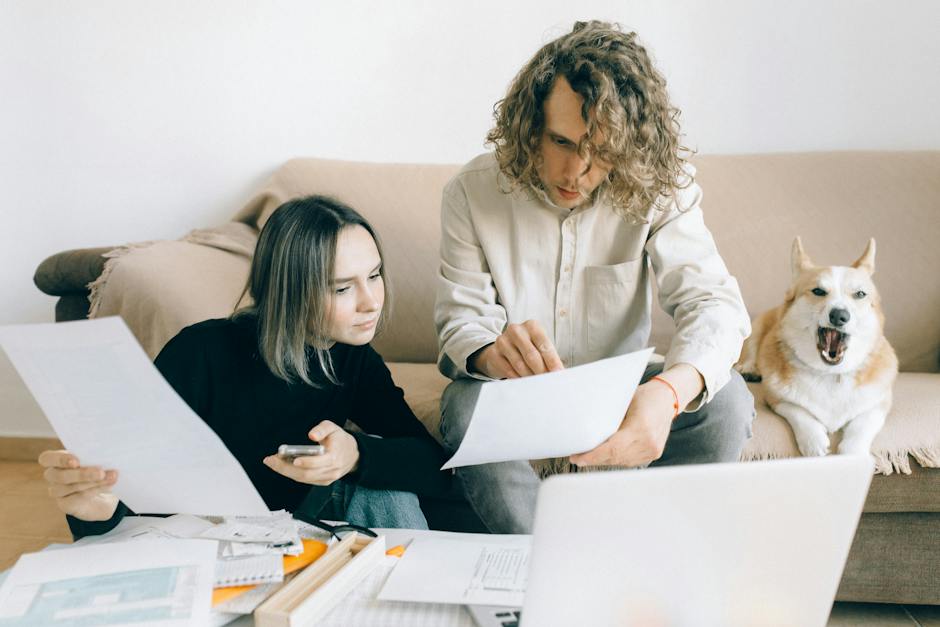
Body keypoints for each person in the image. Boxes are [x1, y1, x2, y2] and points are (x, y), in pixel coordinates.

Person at [435, 21, 755, 533]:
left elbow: (714, 305)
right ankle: (547, 562)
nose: (575, 172)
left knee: (729, 403)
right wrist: (490, 352)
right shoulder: (471, 193)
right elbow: (460, 319)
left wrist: (668, 393)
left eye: (601, 151)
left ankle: (643, 546)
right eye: (561, 141)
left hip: (621, 392)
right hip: (515, 397)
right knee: (464, 407)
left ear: (629, 146)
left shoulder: (662, 188)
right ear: (529, 124)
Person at [39, 195, 451, 539]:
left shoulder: (350, 357)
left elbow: (434, 467)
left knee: (385, 489)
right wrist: (94, 509)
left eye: (374, 275)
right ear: (289, 290)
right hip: (202, 535)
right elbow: (125, 492)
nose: (371, 301)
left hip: (294, 530)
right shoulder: (201, 353)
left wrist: (356, 453)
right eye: (342, 287)